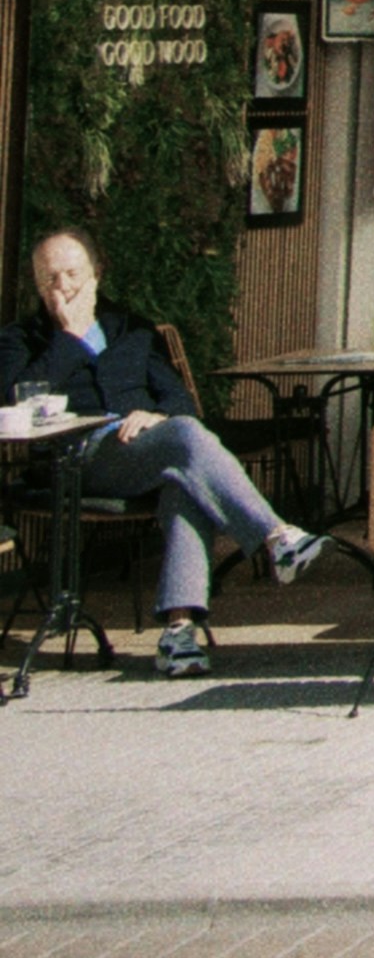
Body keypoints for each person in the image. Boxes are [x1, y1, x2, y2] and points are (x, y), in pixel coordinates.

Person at [0, 228, 330, 677]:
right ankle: (277, 538)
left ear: (97, 273)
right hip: (77, 458)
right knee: (186, 440)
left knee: (183, 479)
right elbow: (12, 401)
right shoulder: (22, 338)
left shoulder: (132, 330)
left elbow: (179, 400)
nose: (63, 287)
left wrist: (155, 416)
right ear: (38, 285)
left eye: (72, 274)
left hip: (145, 451)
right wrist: (68, 337)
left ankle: (179, 634)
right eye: (49, 278)